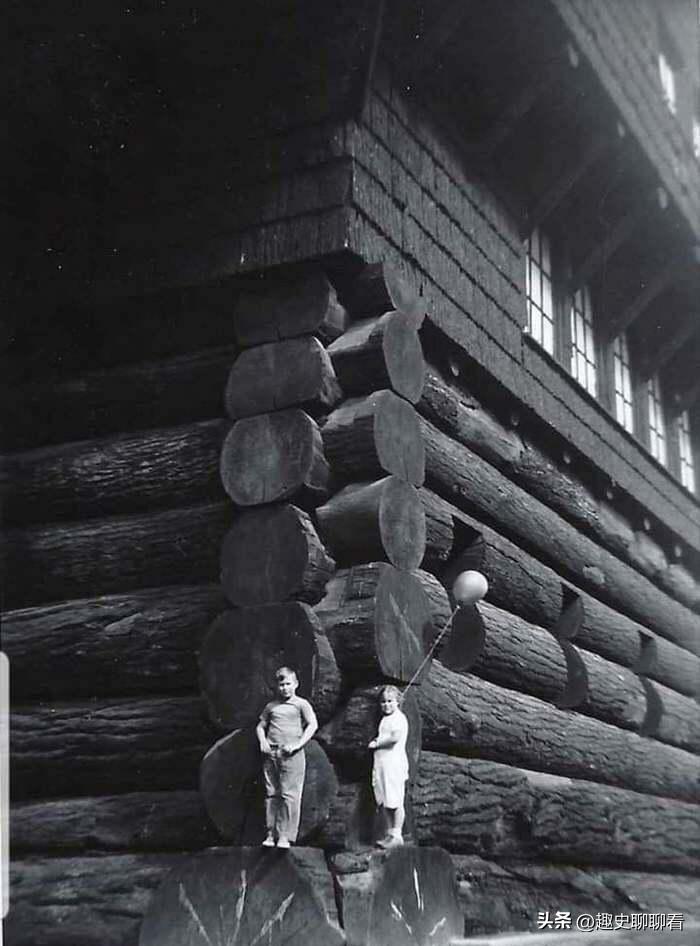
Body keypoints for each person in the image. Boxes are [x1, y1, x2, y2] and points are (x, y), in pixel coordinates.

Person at [255, 666, 318, 849]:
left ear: (296, 684)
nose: (285, 688)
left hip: (291, 754)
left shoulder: (301, 704)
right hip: (271, 753)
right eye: (281, 685)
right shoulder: (271, 706)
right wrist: (262, 742)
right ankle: (270, 834)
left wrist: (298, 744)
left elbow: (312, 725)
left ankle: (285, 836)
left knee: (289, 795)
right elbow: (260, 726)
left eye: (288, 684)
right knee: (271, 793)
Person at [368, 684, 408, 848]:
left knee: (396, 800)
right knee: (384, 800)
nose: (387, 705)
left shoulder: (399, 718)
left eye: (390, 701)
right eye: (383, 702)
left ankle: (397, 834)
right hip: (382, 764)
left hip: (394, 764)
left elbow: (394, 737)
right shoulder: (385, 719)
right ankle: (390, 833)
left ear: (397, 701)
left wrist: (377, 742)